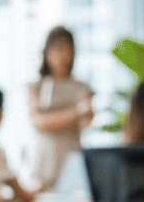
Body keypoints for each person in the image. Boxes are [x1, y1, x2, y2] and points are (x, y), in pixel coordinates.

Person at [27, 26, 94, 192]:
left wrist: (57, 118)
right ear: (47, 52)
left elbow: (86, 121)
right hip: (45, 162)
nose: (62, 55)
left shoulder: (82, 87)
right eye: (57, 48)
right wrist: (75, 112)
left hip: (72, 157)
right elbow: (40, 123)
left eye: (66, 48)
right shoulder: (37, 87)